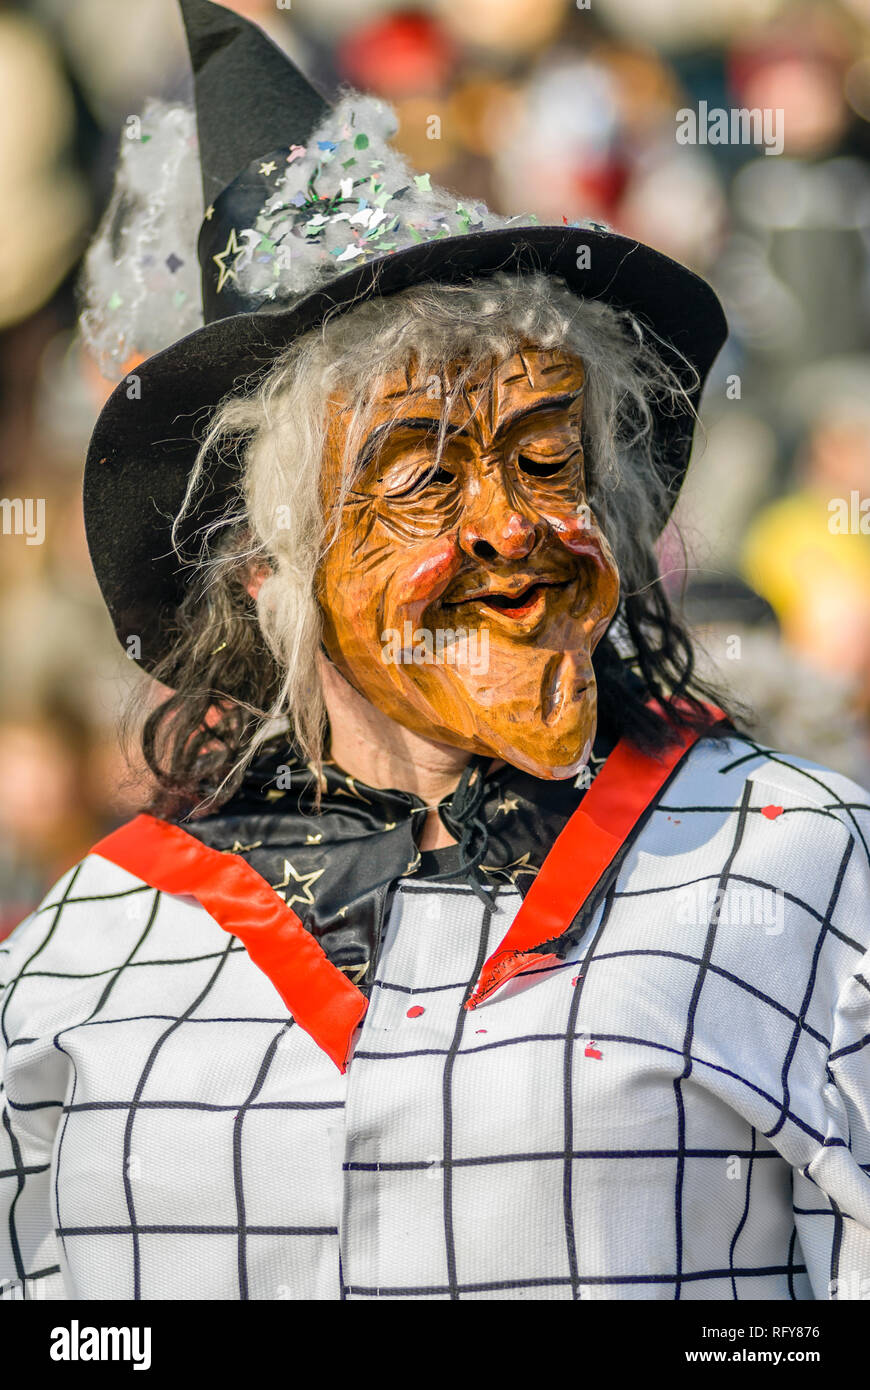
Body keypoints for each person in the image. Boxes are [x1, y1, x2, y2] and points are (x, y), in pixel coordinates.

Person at [2, 0, 869, 1302]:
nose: (511, 530)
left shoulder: (804, 870)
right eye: (420, 480)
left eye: (545, 462)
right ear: (264, 565)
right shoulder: (80, 963)